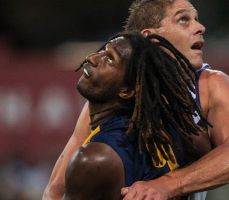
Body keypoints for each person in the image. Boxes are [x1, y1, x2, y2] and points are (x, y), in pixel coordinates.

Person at [43, 0, 229, 199]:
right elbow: (56, 189)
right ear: (151, 36)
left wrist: (166, 185)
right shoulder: (113, 94)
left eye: (196, 18)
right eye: (184, 19)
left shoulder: (210, 84)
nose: (200, 27)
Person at [63, 32, 209, 200]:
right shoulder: (179, 133)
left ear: (127, 91)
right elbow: (206, 148)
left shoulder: (93, 159)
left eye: (109, 59)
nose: (92, 58)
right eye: (103, 51)